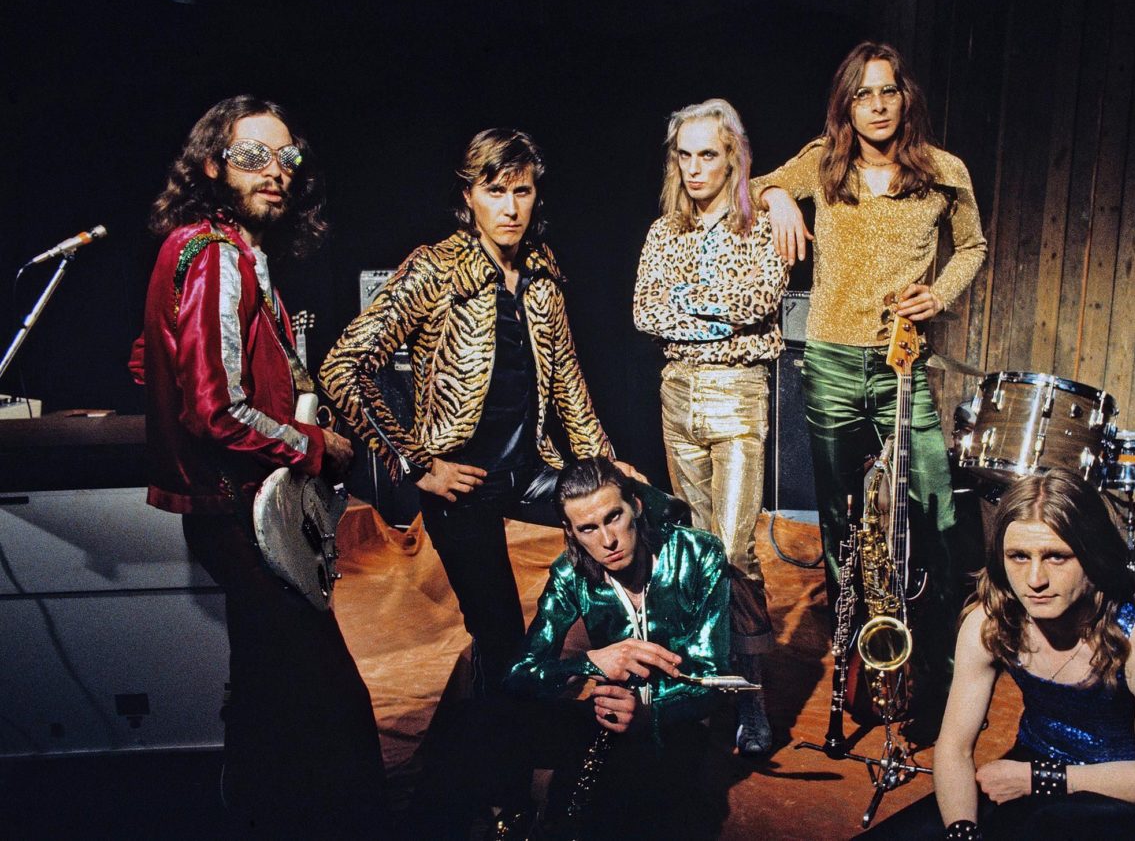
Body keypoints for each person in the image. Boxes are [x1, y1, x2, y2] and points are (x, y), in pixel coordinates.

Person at [132, 95, 385, 834]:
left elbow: (149, 359)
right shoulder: (216, 253)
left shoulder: (211, 249)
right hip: (243, 513)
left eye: (286, 157)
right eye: (252, 156)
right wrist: (316, 445)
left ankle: (256, 812)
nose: (275, 171)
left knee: (269, 696)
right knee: (331, 707)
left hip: (233, 508)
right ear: (213, 165)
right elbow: (216, 410)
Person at [320, 129, 637, 695]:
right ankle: (503, 731)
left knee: (648, 512)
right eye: (495, 191)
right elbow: (342, 368)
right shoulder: (435, 269)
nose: (510, 208)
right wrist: (418, 465)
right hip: (462, 485)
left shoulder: (541, 269)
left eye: (522, 191)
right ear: (468, 196)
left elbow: (568, 379)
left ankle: (632, 686)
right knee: (500, 637)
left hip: (534, 469)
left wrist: (603, 468)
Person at [751, 40, 988, 735]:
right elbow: (755, 184)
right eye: (863, 94)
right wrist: (778, 199)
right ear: (846, 104)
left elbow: (973, 247)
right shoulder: (822, 162)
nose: (877, 105)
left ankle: (937, 670)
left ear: (905, 98)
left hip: (900, 364)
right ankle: (866, 666)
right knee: (841, 522)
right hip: (829, 361)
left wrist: (940, 294)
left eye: (888, 91)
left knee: (934, 512)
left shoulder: (943, 171)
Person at [865, 469, 1135, 840]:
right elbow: (954, 749)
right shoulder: (989, 623)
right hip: (1030, 768)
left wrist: (1038, 778)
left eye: (1057, 557)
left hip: (1124, 795)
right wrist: (962, 832)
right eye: (1019, 556)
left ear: (1095, 557)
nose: (1035, 580)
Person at [422, 457, 730, 838]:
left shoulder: (698, 554)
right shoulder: (571, 573)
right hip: (607, 721)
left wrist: (649, 711)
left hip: (673, 726)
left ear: (635, 506)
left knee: (617, 814)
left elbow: (713, 680)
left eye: (613, 517)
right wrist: (590, 663)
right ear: (570, 531)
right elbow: (520, 674)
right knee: (467, 724)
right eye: (588, 528)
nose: (608, 540)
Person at [632, 98, 788, 756]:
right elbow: (644, 312)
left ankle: (749, 696)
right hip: (677, 392)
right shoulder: (662, 231)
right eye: (685, 155)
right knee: (694, 550)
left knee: (733, 551)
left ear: (732, 158)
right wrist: (717, 312)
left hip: (737, 391)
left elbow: (760, 299)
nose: (695, 168)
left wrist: (687, 303)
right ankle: (701, 684)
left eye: (708, 155)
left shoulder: (762, 225)